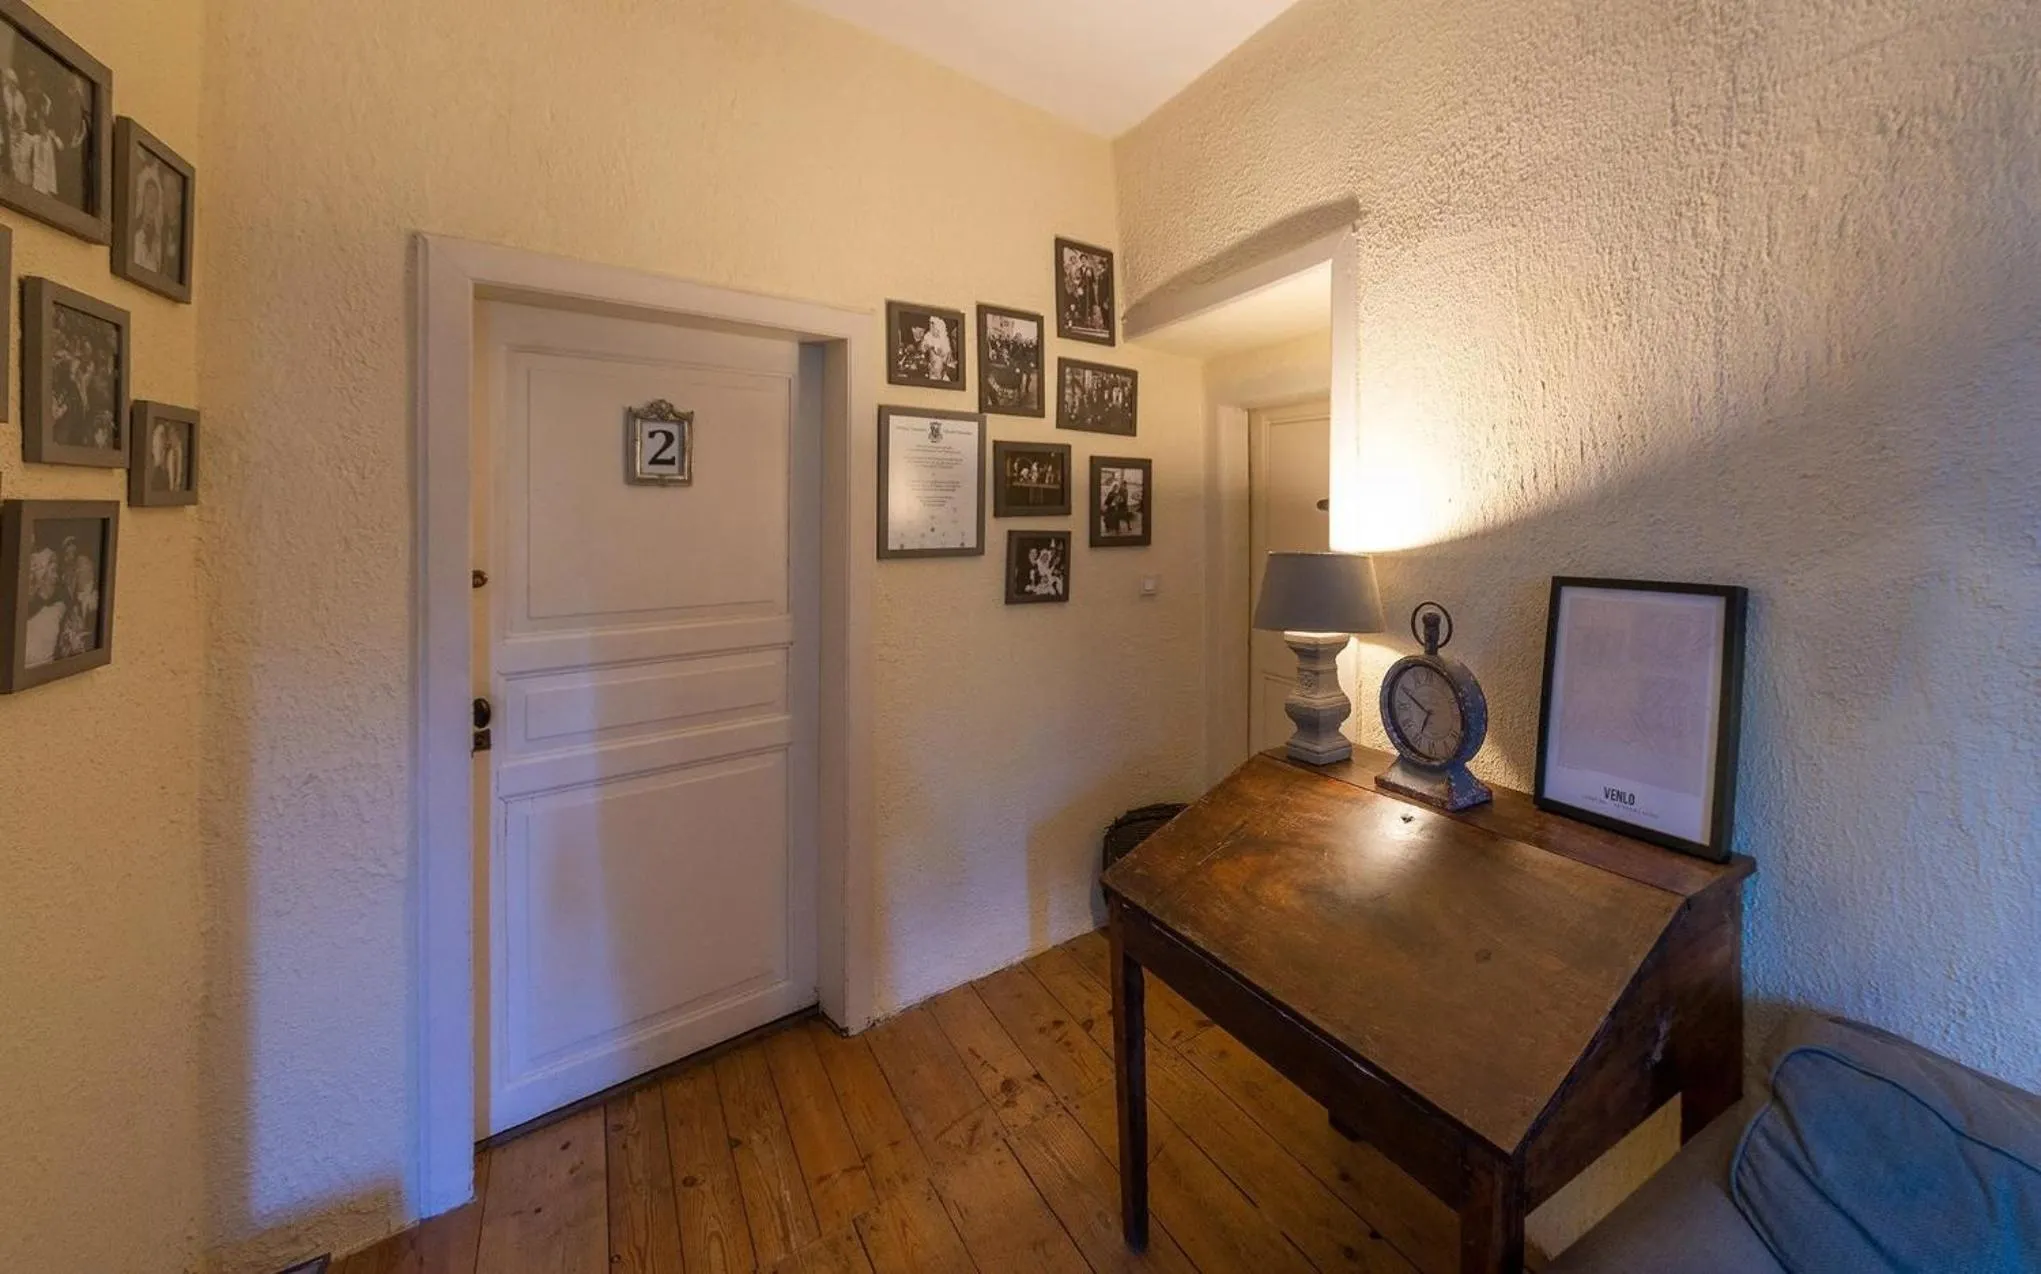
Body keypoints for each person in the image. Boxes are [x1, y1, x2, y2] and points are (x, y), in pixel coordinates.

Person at [21, 546, 63, 667]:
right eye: (53, 570)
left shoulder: (58, 610)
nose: (57, 577)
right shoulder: (20, 614)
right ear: (41, 576)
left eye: (57, 571)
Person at [55, 545, 98, 659]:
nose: (77, 571)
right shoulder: (73, 602)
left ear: (91, 568)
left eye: (81, 566)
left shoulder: (96, 599)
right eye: (76, 568)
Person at [132, 167, 164, 273]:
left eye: (155, 199)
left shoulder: (158, 239)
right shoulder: (134, 233)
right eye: (149, 197)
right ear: (142, 198)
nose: (152, 204)